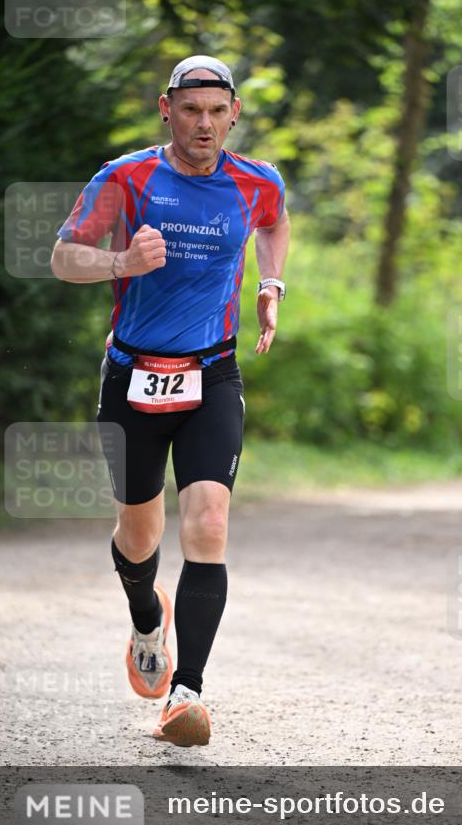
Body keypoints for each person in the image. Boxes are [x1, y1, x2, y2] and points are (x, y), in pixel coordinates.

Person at [51, 55, 289, 747]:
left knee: (208, 522)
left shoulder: (256, 182)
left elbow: (273, 224)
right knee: (139, 533)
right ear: (167, 108)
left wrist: (271, 286)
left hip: (212, 375)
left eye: (217, 111)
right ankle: (146, 624)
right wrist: (120, 262)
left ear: (234, 113)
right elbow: (65, 256)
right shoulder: (126, 178)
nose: (204, 123)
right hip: (131, 375)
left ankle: (186, 696)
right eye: (191, 110)